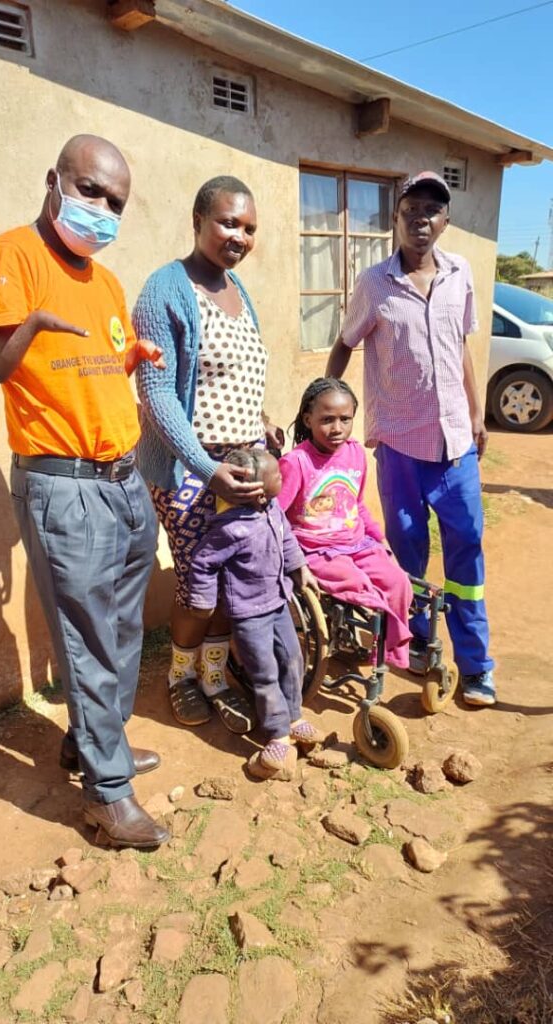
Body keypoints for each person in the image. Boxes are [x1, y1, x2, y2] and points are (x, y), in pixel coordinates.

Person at [0, 134, 170, 849]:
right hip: (65, 485)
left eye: (115, 201)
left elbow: (90, 369)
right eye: (91, 190)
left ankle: (92, 743)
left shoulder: (108, 283)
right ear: (53, 180)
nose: (102, 209)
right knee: (87, 638)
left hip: (123, 479)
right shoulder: (14, 255)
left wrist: (132, 357)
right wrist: (32, 323)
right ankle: (107, 798)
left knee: (119, 630)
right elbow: (2, 366)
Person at [326, 171, 495, 706]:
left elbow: (460, 348)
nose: (421, 217)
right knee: (407, 553)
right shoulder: (374, 284)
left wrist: (477, 414)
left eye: (432, 209)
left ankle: (475, 665)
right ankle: (419, 640)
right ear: (395, 219)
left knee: (466, 551)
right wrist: (324, 403)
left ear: (445, 221)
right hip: (399, 446)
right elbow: (345, 342)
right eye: (411, 209)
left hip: (455, 445)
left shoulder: (460, 274)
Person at [133, 175, 284, 733]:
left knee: (236, 579)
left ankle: (215, 676)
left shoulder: (238, 289)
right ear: (198, 221)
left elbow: (236, 376)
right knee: (199, 586)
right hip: (190, 469)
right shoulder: (165, 289)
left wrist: (261, 423)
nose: (239, 236)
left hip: (241, 466)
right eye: (228, 222)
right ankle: (181, 677)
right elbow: (157, 391)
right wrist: (208, 469)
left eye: (249, 228)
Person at [188, 448, 324, 780]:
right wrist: (203, 601)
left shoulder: (273, 509)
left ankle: (294, 715)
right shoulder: (231, 528)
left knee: (293, 659)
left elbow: (287, 539)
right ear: (258, 491)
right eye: (276, 475)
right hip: (250, 615)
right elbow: (203, 562)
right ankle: (277, 733)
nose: (282, 476)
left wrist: (300, 568)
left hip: (279, 602)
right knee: (264, 673)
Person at [279, 378, 413, 669]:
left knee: (398, 582)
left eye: (345, 419)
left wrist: (381, 541)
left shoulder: (355, 454)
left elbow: (358, 504)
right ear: (308, 420)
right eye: (327, 419)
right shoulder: (296, 462)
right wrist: (294, 561)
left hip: (356, 543)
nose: (337, 428)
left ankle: (389, 648)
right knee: (358, 583)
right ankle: (375, 633)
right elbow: (276, 516)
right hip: (315, 550)